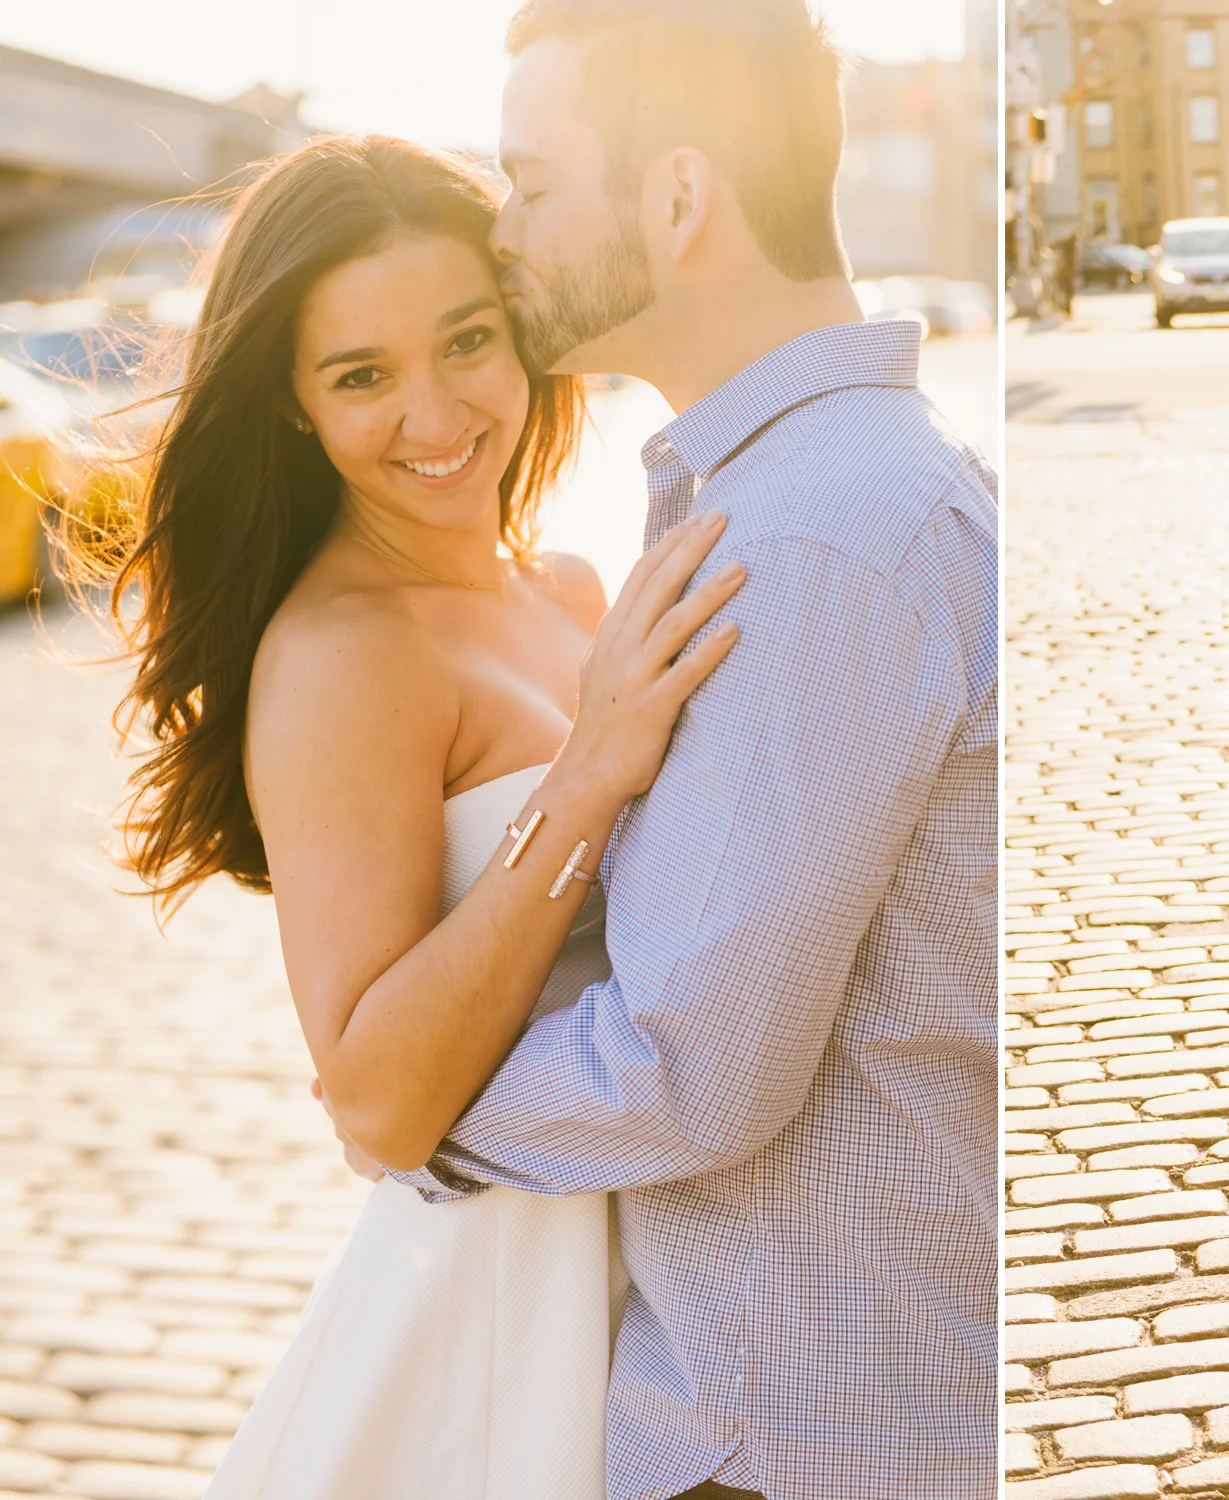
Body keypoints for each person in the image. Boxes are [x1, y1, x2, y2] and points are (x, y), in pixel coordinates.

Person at [68, 134, 740, 1498]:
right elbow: (375, 1104)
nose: (435, 415)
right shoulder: (343, 655)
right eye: (361, 375)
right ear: (291, 402)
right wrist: (585, 775)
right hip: (502, 1319)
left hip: (669, 1281)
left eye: (467, 341)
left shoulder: (564, 588)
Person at [396, 2, 1000, 1496]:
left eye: (531, 185)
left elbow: (690, 1069)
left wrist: (407, 1106)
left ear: (677, 197)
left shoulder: (809, 539)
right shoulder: (819, 491)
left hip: (794, 1437)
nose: (501, 237)